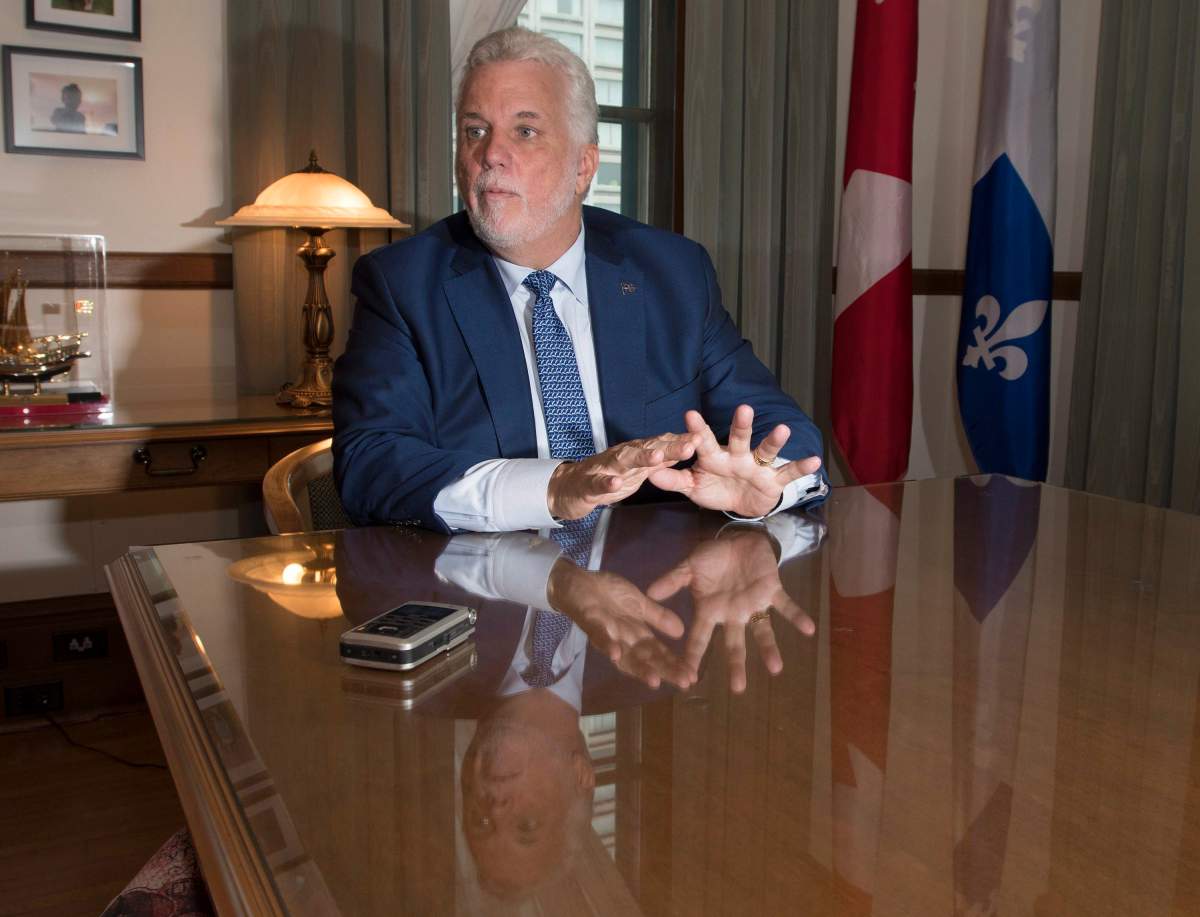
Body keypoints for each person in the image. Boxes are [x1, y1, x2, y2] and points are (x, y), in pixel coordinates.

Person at [333, 26, 828, 534]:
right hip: (489, 594)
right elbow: (372, 465)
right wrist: (556, 486)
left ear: (583, 166)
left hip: (652, 593)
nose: (490, 155)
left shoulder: (672, 272)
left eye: (525, 131)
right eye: (475, 131)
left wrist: (765, 486)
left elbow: (778, 430)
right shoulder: (401, 283)